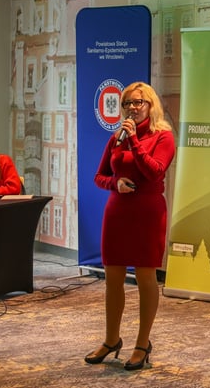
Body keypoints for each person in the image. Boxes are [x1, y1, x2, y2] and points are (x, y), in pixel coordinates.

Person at [84, 82, 175, 371]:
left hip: (148, 212)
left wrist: (134, 141)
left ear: (150, 105)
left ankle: (142, 344)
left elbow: (154, 171)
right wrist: (116, 183)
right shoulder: (117, 137)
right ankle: (111, 340)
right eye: (127, 103)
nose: (132, 108)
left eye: (138, 102)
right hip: (118, 211)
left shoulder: (163, 136)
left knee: (146, 277)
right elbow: (99, 176)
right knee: (113, 278)